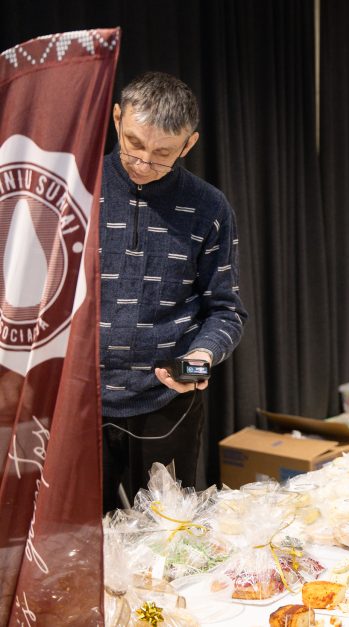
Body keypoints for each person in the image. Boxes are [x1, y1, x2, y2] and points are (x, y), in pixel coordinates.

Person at [100, 72, 247, 512]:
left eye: (163, 153)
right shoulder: (75, 189)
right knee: (81, 544)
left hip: (168, 400)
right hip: (77, 403)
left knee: (168, 540)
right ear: (115, 118)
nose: (143, 162)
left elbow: (225, 310)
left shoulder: (209, 207)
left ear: (189, 144)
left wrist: (201, 356)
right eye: (134, 143)